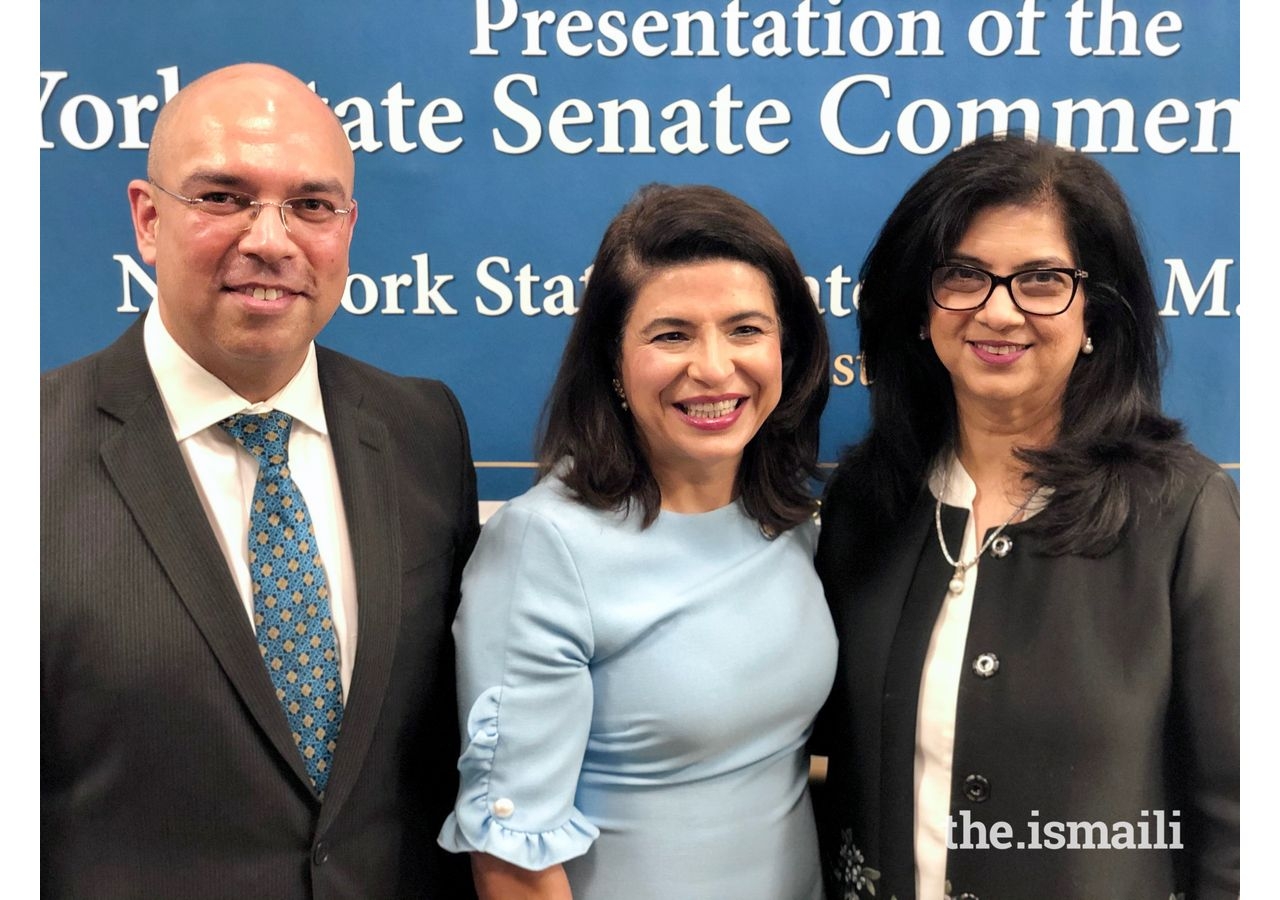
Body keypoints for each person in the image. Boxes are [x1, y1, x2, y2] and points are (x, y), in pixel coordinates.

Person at [41, 63, 479, 898]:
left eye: (311, 206)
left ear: (346, 228)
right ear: (147, 219)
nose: (271, 239)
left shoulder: (423, 431)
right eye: (224, 197)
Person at [812, 134, 1239, 899]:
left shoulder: (1183, 513)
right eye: (963, 276)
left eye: (1042, 280)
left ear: (1094, 315)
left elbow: (1239, 819)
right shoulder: (863, 506)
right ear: (920, 308)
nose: (999, 311)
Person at [437, 183, 836, 899]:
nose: (715, 367)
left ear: (788, 348)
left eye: (745, 329)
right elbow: (512, 862)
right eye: (671, 334)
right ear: (615, 366)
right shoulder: (545, 546)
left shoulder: (788, 518)